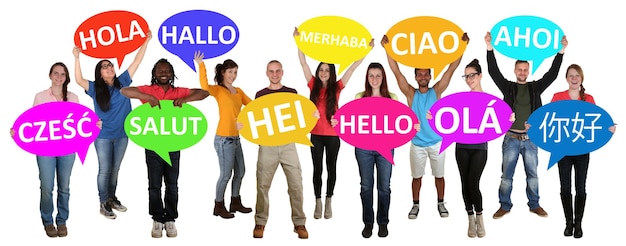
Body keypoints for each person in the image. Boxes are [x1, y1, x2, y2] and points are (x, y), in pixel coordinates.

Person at [381, 33, 469, 220]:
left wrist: (462, 46)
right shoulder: (411, 94)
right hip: (417, 144)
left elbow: (451, 70)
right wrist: (387, 49)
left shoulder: (436, 90)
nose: (422, 76)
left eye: (425, 73)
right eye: (419, 74)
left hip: (437, 142)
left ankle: (440, 203)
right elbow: (396, 72)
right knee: (416, 177)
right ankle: (415, 205)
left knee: (439, 176)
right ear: (416, 76)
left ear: (430, 75)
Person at [120, 58, 209, 238]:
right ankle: (157, 218)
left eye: (167, 71)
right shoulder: (148, 89)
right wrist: (147, 97)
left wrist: (185, 99)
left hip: (174, 144)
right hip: (153, 145)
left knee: (172, 184)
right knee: (154, 184)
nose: (163, 74)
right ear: (154, 73)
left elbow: (203, 93)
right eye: (160, 71)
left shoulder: (177, 91)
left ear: (172, 74)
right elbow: (124, 90)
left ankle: (170, 218)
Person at [485, 32, 568, 219]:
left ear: (528, 71)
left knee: (533, 175)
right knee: (506, 176)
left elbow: (552, 74)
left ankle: (534, 205)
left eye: (525, 70)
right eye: (519, 69)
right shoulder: (508, 87)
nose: (522, 72)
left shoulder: (534, 87)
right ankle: (504, 205)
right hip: (510, 139)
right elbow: (493, 71)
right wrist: (489, 47)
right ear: (515, 71)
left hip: (530, 140)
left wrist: (561, 51)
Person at [72, 31, 151, 219]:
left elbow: (136, 62)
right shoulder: (95, 89)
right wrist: (77, 58)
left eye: (110, 65)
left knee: (115, 169)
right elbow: (78, 80)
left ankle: (111, 198)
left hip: (123, 135)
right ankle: (103, 202)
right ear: (99, 73)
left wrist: (146, 41)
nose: (109, 68)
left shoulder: (122, 82)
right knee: (105, 169)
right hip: (103, 137)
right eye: (104, 67)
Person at [294, 27, 371, 219]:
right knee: (317, 169)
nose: (323, 72)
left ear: (331, 72)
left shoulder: (337, 87)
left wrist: (366, 51)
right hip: (316, 135)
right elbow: (303, 63)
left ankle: (329, 200)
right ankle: (317, 202)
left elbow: (353, 68)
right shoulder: (312, 85)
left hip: (333, 136)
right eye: (321, 69)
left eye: (327, 70)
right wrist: (298, 42)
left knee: (331, 168)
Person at [13, 62, 79, 237]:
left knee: (64, 187)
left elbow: (80, 125)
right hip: (45, 150)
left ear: (66, 78)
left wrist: (95, 125)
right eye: (56, 73)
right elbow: (32, 124)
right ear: (50, 75)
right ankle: (48, 221)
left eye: (62, 74)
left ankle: (62, 220)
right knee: (47, 186)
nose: (59, 77)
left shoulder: (72, 98)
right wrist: (18, 131)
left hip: (67, 149)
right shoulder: (40, 96)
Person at [550, 64, 616, 238]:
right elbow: (548, 120)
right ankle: (568, 223)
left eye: (577, 75)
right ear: (566, 78)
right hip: (562, 150)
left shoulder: (589, 99)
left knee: (580, 188)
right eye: (571, 75)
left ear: (581, 78)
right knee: (565, 187)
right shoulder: (558, 97)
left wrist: (607, 128)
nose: (574, 78)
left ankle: (578, 224)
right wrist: (533, 127)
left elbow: (596, 122)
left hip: (582, 151)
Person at [193, 51, 253, 219]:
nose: (233, 75)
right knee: (226, 174)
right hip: (223, 139)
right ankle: (219, 206)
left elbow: (253, 107)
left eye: (235, 72)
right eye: (230, 72)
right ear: (223, 73)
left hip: (236, 138)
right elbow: (204, 86)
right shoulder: (218, 90)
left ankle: (235, 202)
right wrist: (201, 65)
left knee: (240, 171)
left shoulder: (239, 91)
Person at [252, 60, 308, 239]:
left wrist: (311, 115)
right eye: (271, 71)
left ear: (282, 72)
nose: (274, 74)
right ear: (266, 73)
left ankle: (299, 223)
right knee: (262, 185)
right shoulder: (260, 94)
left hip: (288, 144)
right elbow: (256, 120)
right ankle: (260, 222)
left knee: (296, 185)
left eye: (277, 71)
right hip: (267, 145)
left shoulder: (291, 93)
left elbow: (298, 117)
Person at [353, 62, 401, 238]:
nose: (374, 79)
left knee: (384, 188)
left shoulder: (392, 98)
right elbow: (353, 123)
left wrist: (412, 125)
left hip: (386, 148)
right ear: (367, 78)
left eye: (378, 75)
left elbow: (399, 124)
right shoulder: (359, 97)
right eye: (371, 75)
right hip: (363, 148)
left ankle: (383, 222)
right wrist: (339, 123)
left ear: (383, 78)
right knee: (366, 187)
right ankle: (368, 223)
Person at [456, 59, 489, 238]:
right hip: (461, 146)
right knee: (464, 183)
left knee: (472, 183)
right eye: (466, 76)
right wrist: (434, 116)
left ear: (480, 75)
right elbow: (450, 120)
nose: (469, 79)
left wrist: (508, 118)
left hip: (480, 148)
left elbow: (497, 122)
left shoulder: (490, 100)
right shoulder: (461, 99)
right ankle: (470, 218)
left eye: (472, 75)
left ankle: (480, 217)